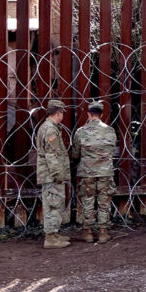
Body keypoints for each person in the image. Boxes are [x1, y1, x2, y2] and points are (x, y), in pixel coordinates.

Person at [71, 101, 117, 243]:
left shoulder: (81, 131)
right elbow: (112, 150)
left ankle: (88, 233)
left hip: (87, 172)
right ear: (102, 114)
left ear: (88, 114)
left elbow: (75, 154)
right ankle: (103, 232)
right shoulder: (110, 130)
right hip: (105, 172)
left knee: (88, 201)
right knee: (104, 202)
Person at [35, 99, 70, 249]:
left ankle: (54, 234)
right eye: (62, 113)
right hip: (51, 174)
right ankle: (50, 238)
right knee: (53, 204)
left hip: (48, 173)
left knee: (53, 203)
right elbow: (52, 154)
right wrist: (58, 174)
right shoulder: (50, 129)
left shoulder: (49, 127)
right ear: (58, 112)